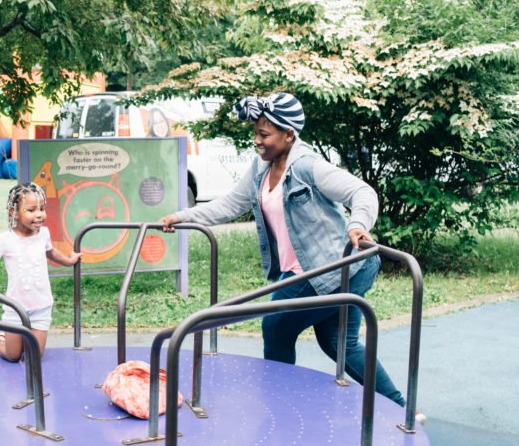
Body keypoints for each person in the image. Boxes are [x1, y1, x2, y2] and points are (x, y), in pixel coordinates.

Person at [160, 92, 421, 420]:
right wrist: (183, 217)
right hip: (308, 271)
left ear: (288, 134)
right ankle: (404, 407)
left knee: (276, 326)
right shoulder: (260, 168)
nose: (257, 141)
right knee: (340, 344)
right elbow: (230, 204)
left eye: (264, 135)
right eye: (255, 133)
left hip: (334, 268)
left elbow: (362, 192)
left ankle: (279, 405)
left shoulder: (307, 166)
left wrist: (358, 224)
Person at [0, 183, 81, 362]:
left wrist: (69, 260)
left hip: (41, 305)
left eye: (42, 209)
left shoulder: (43, 234)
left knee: (34, 357)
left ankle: (26, 340)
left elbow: (51, 252)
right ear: (14, 213)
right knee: (13, 356)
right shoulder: (6, 240)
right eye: (31, 210)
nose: (39, 215)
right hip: (15, 307)